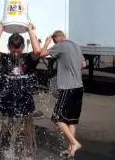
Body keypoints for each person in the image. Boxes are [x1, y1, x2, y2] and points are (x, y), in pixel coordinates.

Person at [0, 22, 41, 160]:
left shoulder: (28, 59)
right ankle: (7, 153)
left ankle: (27, 154)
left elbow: (37, 51)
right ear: (8, 48)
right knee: (6, 129)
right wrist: (1, 29)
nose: (16, 54)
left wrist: (30, 30)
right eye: (13, 50)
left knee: (28, 129)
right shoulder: (5, 58)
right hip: (7, 102)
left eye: (18, 50)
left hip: (26, 102)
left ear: (23, 47)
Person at [40, 30, 86, 158]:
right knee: (71, 121)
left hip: (67, 88)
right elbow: (83, 64)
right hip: (79, 87)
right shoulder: (76, 45)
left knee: (57, 118)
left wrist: (46, 43)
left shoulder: (60, 45)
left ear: (56, 39)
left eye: (53, 41)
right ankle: (71, 150)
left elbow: (42, 54)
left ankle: (74, 143)